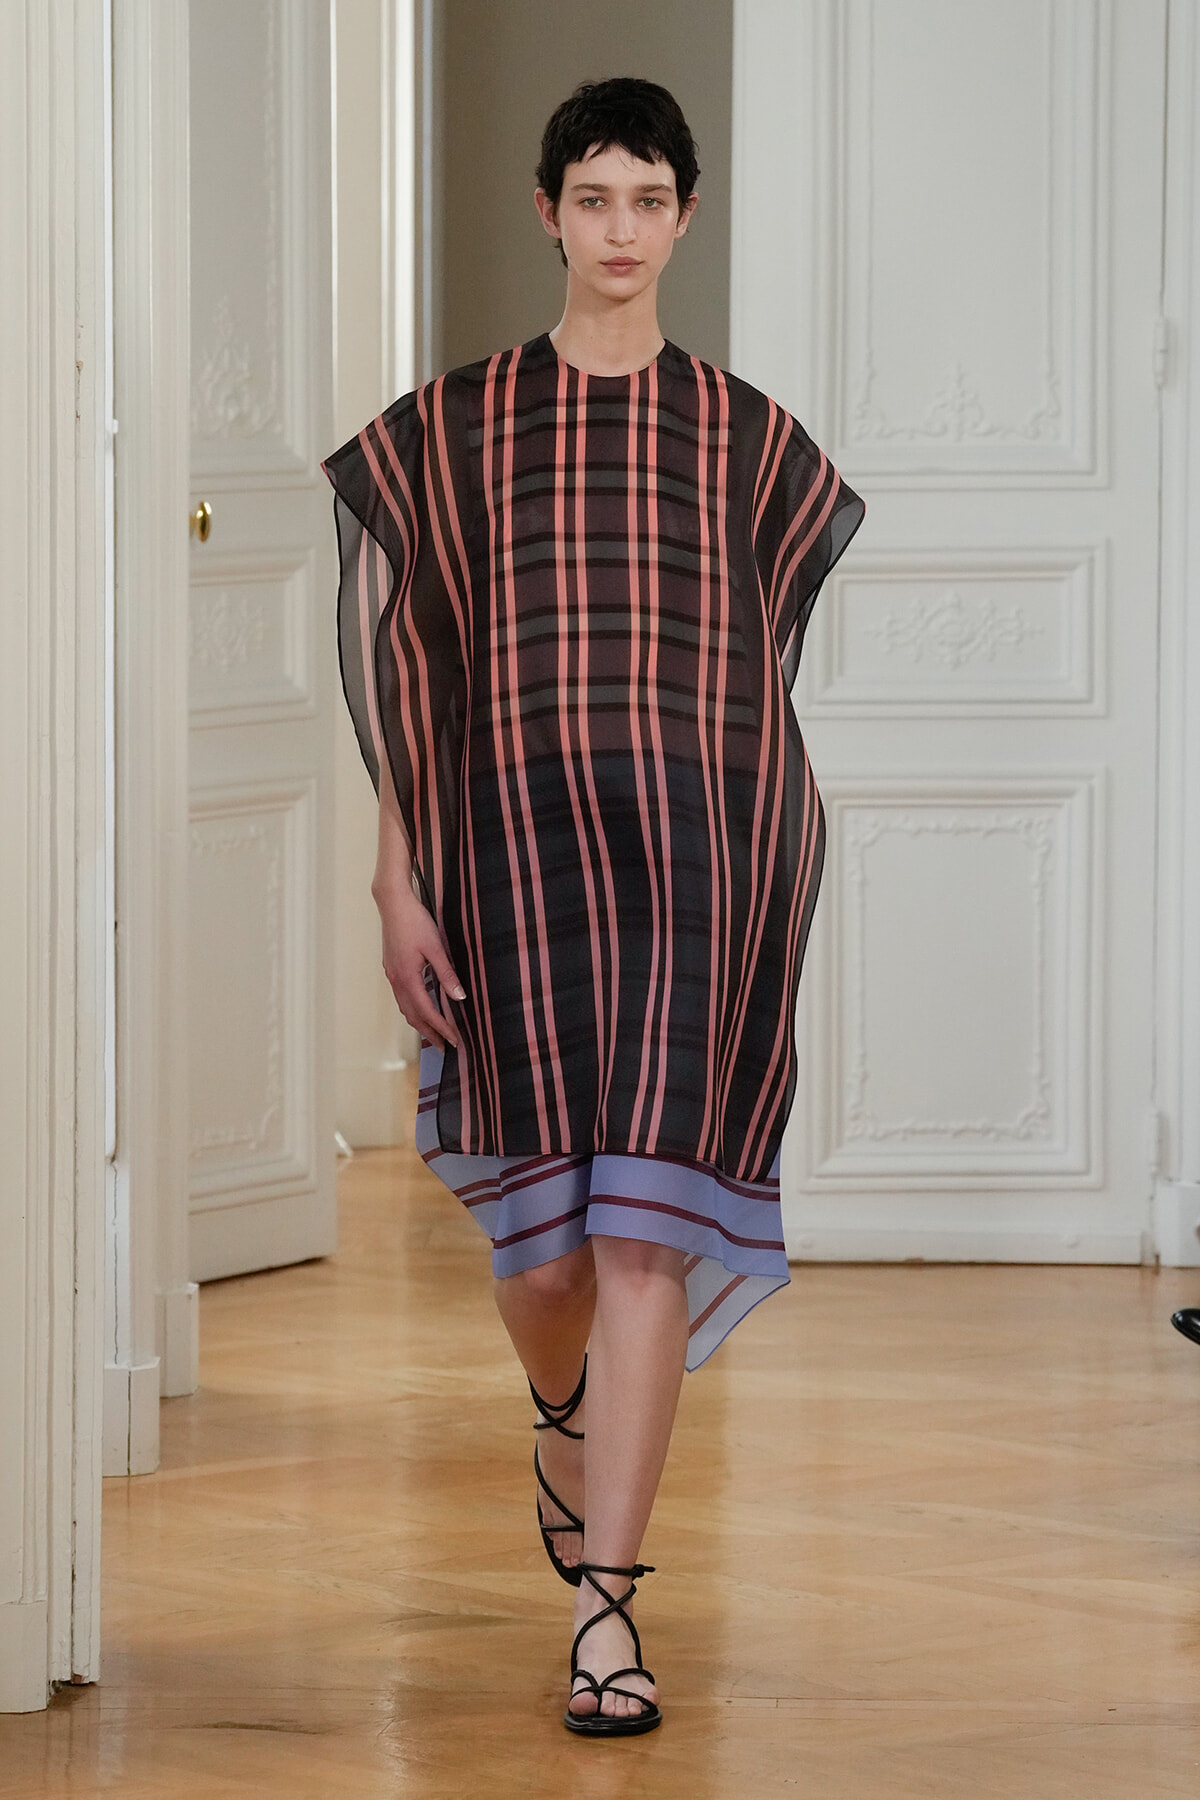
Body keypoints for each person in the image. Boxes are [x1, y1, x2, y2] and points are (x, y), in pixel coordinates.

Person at [321, 75, 866, 1738]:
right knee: (544, 1250)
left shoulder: (749, 434)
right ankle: (554, 1406)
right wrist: (402, 868)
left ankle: (608, 1617)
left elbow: (750, 667)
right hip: (516, 873)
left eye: (651, 200)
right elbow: (401, 644)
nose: (621, 230)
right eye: (594, 198)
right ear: (549, 212)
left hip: (705, 872)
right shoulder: (464, 424)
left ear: (683, 221)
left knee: (641, 1230)